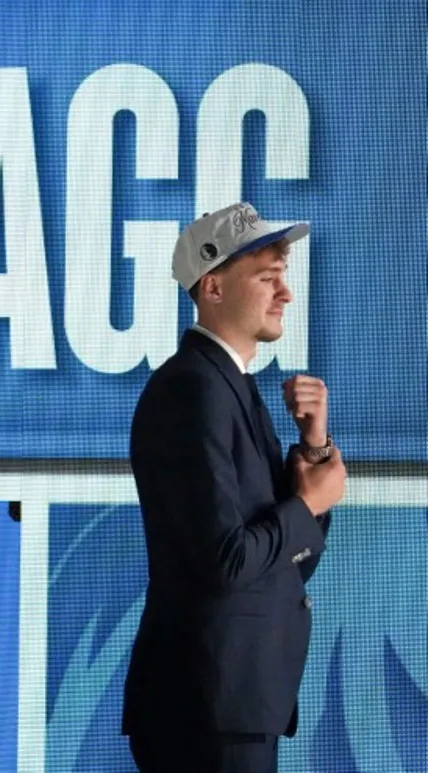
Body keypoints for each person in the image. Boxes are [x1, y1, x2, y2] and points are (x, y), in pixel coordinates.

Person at [121, 202, 347, 773]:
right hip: (205, 709)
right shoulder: (192, 390)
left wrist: (314, 451)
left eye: (284, 276)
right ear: (213, 286)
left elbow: (292, 561)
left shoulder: (232, 387)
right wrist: (309, 500)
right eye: (268, 277)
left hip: (234, 705)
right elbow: (227, 560)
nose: (286, 293)